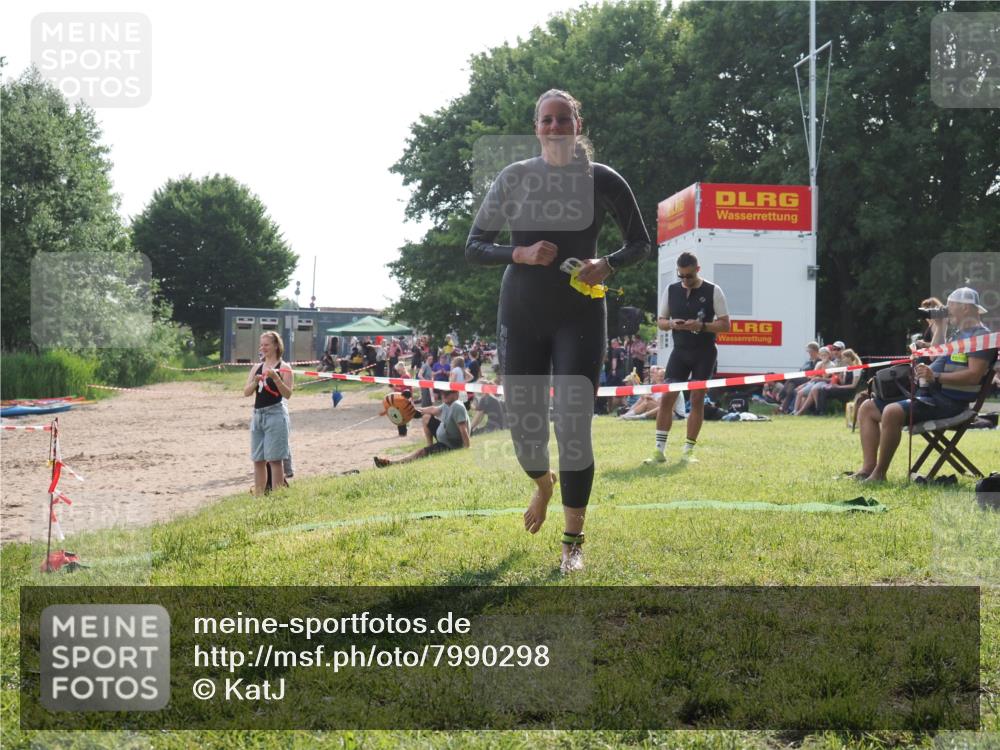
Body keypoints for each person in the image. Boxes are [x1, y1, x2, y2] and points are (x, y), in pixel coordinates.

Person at [466, 88, 650, 573]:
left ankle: (573, 541)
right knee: (526, 431)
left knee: (573, 426)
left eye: (562, 119)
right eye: (546, 120)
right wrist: (520, 253)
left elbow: (639, 243)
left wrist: (607, 264)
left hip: (579, 314)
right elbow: (474, 246)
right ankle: (542, 482)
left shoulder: (602, 179)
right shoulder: (515, 177)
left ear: (577, 125)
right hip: (521, 312)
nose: (554, 127)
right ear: (536, 127)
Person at [852, 287, 995, 482]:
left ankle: (879, 474)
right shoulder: (959, 334)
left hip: (950, 403)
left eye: (950, 305)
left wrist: (935, 376)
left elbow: (973, 376)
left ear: (965, 308)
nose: (946, 309)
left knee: (892, 412)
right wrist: (940, 326)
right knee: (867, 408)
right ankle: (867, 468)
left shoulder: (981, 338)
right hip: (929, 395)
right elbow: (934, 358)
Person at [646, 252, 730, 464]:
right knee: (667, 397)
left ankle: (688, 450)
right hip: (680, 352)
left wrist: (701, 326)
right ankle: (659, 451)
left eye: (689, 276)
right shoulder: (671, 290)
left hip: (704, 352)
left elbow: (725, 325)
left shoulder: (713, 290)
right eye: (681, 275)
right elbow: (661, 321)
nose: (685, 280)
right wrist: (671, 324)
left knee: (697, 398)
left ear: (697, 270)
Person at [243, 331, 293, 496]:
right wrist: (255, 382)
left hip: (276, 415)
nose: (263, 348)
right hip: (258, 415)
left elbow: (287, 394)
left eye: (266, 345)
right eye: (261, 345)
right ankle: (259, 497)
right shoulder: (256, 367)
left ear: (276, 346)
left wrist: (276, 378)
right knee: (258, 459)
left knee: (275, 460)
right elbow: (246, 392)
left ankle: (277, 497)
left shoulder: (284, 368)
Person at [374, 389, 470, 466]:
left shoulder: (457, 406)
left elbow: (463, 429)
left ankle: (392, 464)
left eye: (448, 393)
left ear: (456, 394)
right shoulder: (448, 404)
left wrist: (466, 449)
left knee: (420, 453)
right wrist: (413, 411)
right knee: (426, 417)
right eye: (442, 392)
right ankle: (430, 447)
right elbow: (434, 410)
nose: (444, 395)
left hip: (449, 445)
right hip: (445, 437)